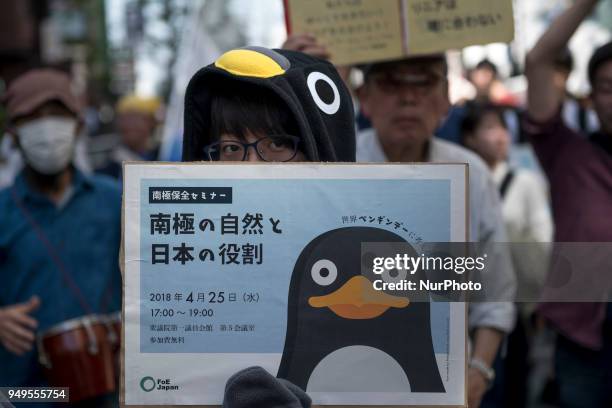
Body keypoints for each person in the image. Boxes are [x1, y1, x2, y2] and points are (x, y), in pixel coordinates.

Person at [355, 55, 516, 408]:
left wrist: (478, 371)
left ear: (446, 97)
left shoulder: (472, 174)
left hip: (447, 383)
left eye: (424, 82)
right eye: (391, 82)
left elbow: (497, 293)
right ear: (363, 96)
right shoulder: (334, 164)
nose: (409, 98)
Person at [0, 69, 122, 407]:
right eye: (31, 118)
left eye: (57, 115)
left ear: (78, 125)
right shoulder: (2, 211)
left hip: (109, 389)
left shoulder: (117, 199)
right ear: (13, 134)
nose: (46, 129)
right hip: (27, 394)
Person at [525, 0, 612, 406]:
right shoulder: (566, 153)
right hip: (582, 338)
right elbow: (539, 59)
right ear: (590, 98)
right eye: (608, 87)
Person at [461, 103, 553, 406]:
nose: (499, 136)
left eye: (502, 127)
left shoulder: (526, 181)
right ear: (469, 138)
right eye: (488, 128)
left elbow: (543, 239)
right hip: (465, 302)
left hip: (515, 301)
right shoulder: (460, 178)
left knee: (511, 380)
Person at [96, 94, 161, 180]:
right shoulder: (108, 168)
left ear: (152, 122)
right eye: (125, 119)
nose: (130, 125)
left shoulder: (165, 157)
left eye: (137, 118)